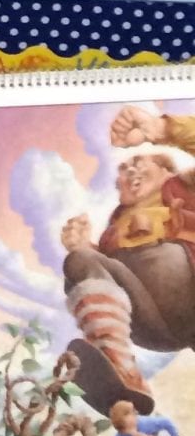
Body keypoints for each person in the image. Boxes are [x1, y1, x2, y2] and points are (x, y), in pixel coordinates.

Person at [57, 106, 195, 417]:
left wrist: (160, 130)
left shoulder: (186, 189)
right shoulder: (112, 233)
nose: (130, 170)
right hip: (152, 325)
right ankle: (121, 370)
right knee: (79, 261)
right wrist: (85, 249)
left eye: (139, 162)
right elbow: (112, 283)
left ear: (167, 171)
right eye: (123, 169)